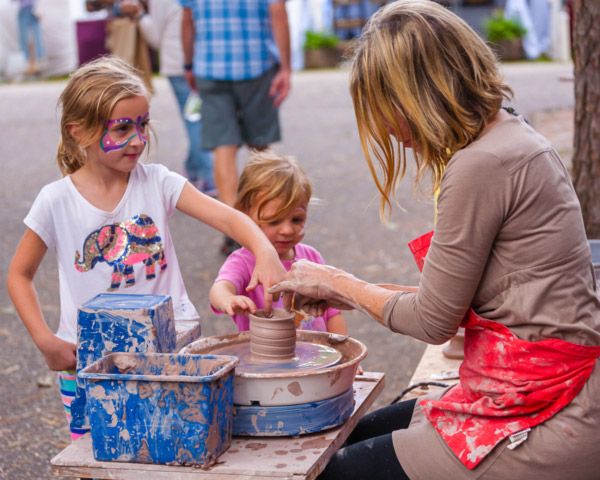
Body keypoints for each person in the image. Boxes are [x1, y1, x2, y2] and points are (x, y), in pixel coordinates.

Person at [268, 1, 600, 479]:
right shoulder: (509, 134)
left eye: (387, 109)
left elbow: (433, 320)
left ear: (422, 92)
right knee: (353, 433)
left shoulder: (483, 163)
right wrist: (339, 289)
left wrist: (337, 281)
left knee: (332, 471)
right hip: (533, 384)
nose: (384, 127)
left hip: (548, 410)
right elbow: (450, 301)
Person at [6, 55, 285, 441]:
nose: (137, 139)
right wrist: (45, 340)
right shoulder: (55, 201)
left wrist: (264, 249)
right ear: (79, 131)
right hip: (89, 362)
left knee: (175, 444)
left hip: (169, 355)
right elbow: (19, 275)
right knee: (99, 452)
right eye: (121, 129)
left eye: (143, 124)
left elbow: (230, 219)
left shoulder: (158, 182)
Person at [180, 0, 292, 254]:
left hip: (209, 66)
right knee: (260, 148)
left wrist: (188, 64)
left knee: (223, 148)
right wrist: (285, 67)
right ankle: (268, 219)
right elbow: (278, 13)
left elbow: (187, 21)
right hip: (258, 65)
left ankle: (234, 230)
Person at [209, 151, 348, 335]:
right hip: (266, 361)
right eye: (274, 221)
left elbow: (331, 312)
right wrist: (227, 299)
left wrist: (344, 352)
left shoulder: (311, 257)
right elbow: (219, 289)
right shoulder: (242, 261)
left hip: (318, 360)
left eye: (297, 220)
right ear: (243, 216)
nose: (287, 230)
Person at [121, 0, 216, 194]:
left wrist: (140, 14)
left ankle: (209, 176)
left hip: (180, 63)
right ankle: (194, 169)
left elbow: (155, 38)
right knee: (200, 117)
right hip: (208, 59)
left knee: (194, 119)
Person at [14, 0, 46, 75]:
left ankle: (38, 61)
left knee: (36, 38)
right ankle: (28, 62)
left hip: (33, 10)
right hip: (25, 10)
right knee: (25, 39)